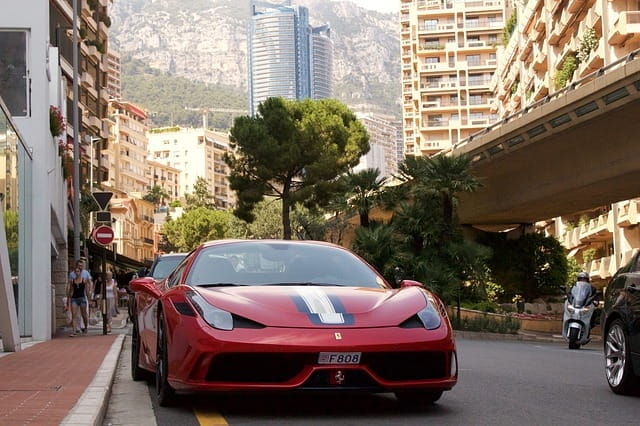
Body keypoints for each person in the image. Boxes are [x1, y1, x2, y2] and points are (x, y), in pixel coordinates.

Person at [66, 264, 91, 336]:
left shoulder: (84, 280)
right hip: (74, 299)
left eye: (78, 271)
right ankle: (74, 331)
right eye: (75, 271)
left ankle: (86, 327)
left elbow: (86, 290)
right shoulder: (72, 281)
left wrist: (89, 300)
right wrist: (68, 299)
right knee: (74, 315)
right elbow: (71, 290)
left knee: (84, 314)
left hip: (82, 298)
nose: (77, 273)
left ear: (80, 272)